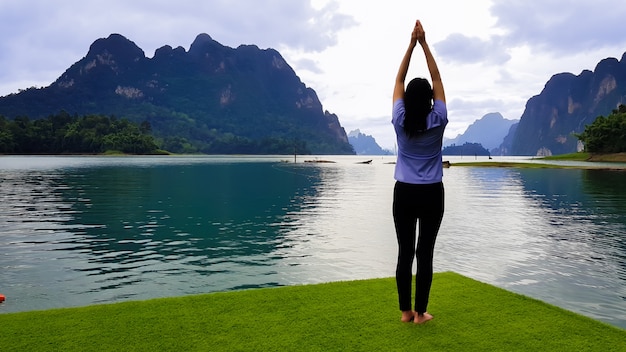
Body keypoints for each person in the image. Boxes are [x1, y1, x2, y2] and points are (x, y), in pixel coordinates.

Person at [391, 19, 447, 324]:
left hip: (404, 193)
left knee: (405, 253)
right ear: (429, 100)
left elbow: (398, 79)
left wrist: (410, 45)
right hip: (432, 194)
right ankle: (421, 313)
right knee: (425, 254)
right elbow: (436, 77)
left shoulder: (399, 120)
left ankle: (405, 312)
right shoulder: (438, 119)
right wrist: (424, 43)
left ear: (407, 101)